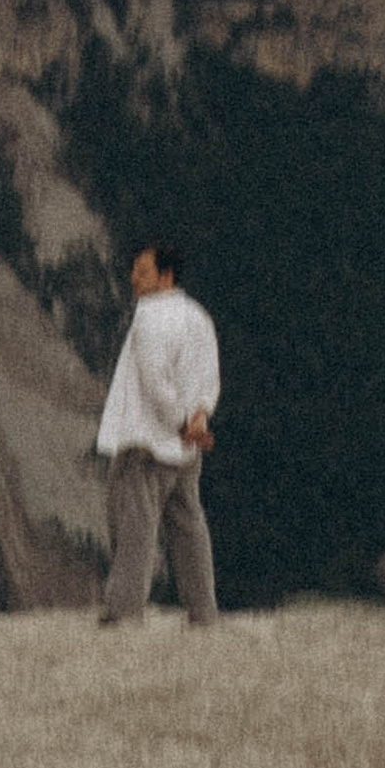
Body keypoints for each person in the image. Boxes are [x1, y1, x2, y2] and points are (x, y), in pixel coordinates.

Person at [95, 239, 221, 626]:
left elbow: (153, 382)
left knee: (134, 530)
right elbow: (208, 378)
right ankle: (203, 613)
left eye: (143, 271)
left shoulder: (149, 317)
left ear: (165, 277)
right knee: (190, 531)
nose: (133, 278)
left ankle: (124, 612)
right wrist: (198, 419)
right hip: (184, 453)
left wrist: (181, 423)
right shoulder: (198, 317)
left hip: (145, 442)